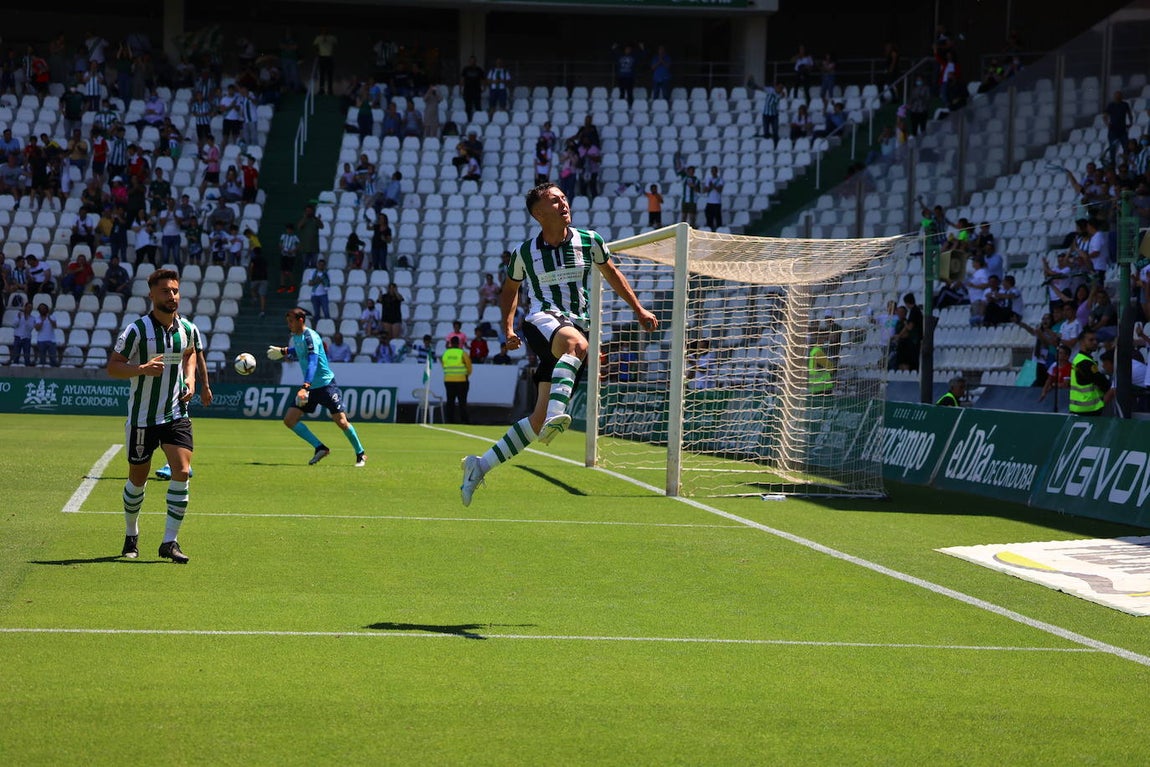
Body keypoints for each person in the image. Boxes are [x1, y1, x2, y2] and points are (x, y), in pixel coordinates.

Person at [459, 182, 659, 506]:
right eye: (555, 200)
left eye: (564, 197)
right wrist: (508, 328)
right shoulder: (524, 253)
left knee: (536, 421)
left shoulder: (590, 241)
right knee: (576, 346)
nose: (563, 202)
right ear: (539, 213)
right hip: (542, 321)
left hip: (578, 326)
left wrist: (638, 309)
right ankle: (557, 414)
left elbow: (612, 274)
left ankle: (479, 466)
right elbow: (509, 292)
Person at [107, 269, 206, 563]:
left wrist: (190, 380)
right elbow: (113, 367)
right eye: (165, 291)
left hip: (176, 413)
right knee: (137, 480)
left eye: (175, 290)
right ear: (152, 295)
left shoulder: (186, 328)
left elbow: (189, 354)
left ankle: (169, 542)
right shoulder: (136, 330)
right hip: (142, 418)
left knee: (182, 470)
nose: (171, 296)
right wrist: (141, 369)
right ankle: (131, 533)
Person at [266, 308, 367, 466]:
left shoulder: (310, 337)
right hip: (311, 388)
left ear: (300, 320)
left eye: (291, 321)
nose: (289, 325)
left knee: (341, 421)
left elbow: (313, 362)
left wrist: (305, 386)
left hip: (326, 385)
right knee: (289, 420)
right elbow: (299, 350)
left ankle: (360, 453)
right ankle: (320, 448)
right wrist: (285, 351)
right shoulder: (297, 337)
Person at [1069, 330, 1108, 416]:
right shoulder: (1085, 362)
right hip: (1089, 410)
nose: (1095, 342)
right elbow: (1102, 382)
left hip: (1078, 409)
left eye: (1096, 340)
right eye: (1091, 340)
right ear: (1081, 342)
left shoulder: (1079, 359)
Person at [442, 336, 472, 424]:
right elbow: (469, 366)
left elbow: (444, 366)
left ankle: (450, 421)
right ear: (459, 343)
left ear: (450, 343)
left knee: (450, 402)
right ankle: (464, 421)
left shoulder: (446, 353)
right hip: (461, 380)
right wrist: (466, 375)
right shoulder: (462, 353)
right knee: (462, 402)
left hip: (448, 380)